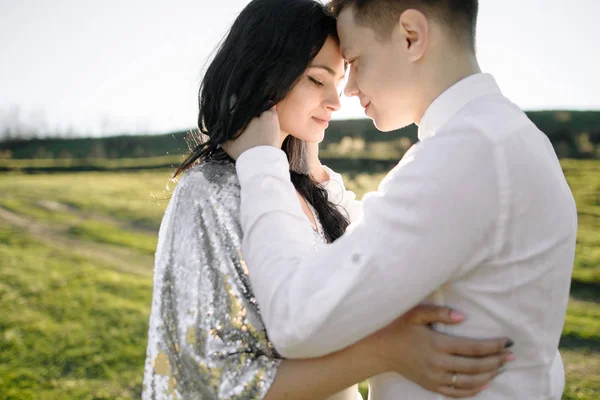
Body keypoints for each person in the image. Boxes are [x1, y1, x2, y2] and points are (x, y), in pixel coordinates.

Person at [142, 0, 514, 399]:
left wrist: (307, 166)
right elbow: (212, 383)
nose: (337, 101)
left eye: (339, 80)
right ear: (266, 74)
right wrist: (385, 353)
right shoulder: (208, 193)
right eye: (318, 81)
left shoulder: (303, 189)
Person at [225, 0, 578, 399]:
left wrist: (261, 164)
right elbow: (381, 251)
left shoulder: (467, 153)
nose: (350, 89)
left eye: (356, 60)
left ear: (412, 36)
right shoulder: (511, 138)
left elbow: (296, 317)